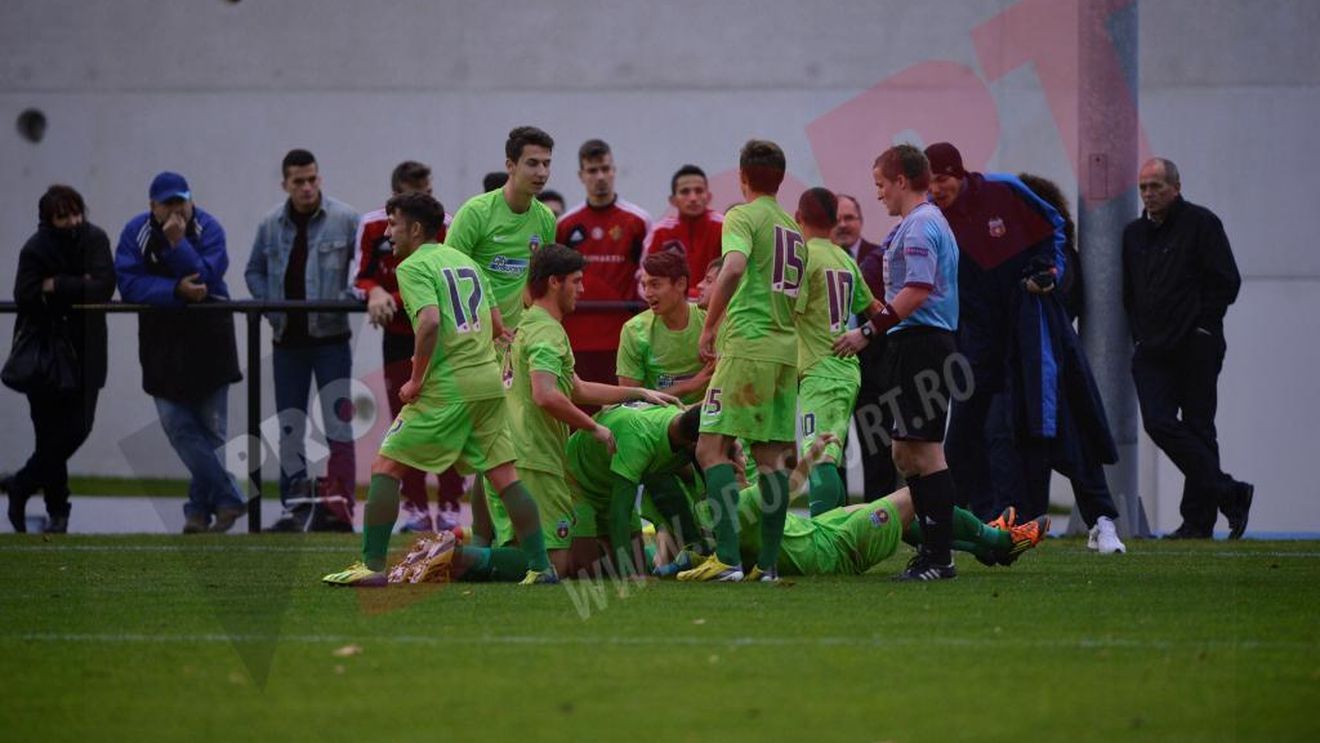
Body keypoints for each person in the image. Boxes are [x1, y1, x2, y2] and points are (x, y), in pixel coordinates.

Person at [322, 192, 556, 586]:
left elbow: (429, 321)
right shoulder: (466, 261)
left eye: (394, 224)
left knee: (386, 466)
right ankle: (540, 567)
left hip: (450, 386)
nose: (388, 231)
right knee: (505, 476)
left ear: (414, 229)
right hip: (487, 381)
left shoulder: (413, 266)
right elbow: (497, 321)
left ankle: (372, 567)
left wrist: (416, 378)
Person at [925, 142, 1124, 554]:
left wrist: (1049, 272)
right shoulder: (931, 217)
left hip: (1032, 329)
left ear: (958, 174)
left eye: (940, 179)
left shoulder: (1003, 191)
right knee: (963, 437)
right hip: (977, 338)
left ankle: (1103, 521)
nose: (935, 189)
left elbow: (1054, 226)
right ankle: (964, 528)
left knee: (1064, 428)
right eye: (927, 182)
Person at [505, 243, 680, 576]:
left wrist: (637, 391)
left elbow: (577, 388)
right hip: (536, 455)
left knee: (553, 558)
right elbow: (545, 395)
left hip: (522, 451)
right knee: (555, 565)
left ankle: (471, 557)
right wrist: (594, 427)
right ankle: (462, 558)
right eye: (576, 281)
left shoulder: (532, 323)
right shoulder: (546, 331)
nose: (582, 289)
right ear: (555, 282)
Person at [680, 139, 807, 583]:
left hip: (747, 347)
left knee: (710, 448)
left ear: (743, 176)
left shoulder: (742, 215)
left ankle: (729, 559)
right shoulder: (792, 228)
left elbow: (732, 267)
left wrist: (710, 325)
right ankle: (766, 566)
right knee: (771, 460)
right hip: (782, 353)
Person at [834, 144, 961, 581]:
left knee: (924, 454)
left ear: (901, 181)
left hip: (923, 345)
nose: (880, 194)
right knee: (905, 451)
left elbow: (918, 290)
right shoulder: (917, 224)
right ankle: (932, 551)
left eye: (881, 185)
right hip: (914, 344)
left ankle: (939, 557)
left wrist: (866, 331)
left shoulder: (922, 226)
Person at [1123, 157, 1252, 539]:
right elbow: (1129, 292)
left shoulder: (1202, 224)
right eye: (1143, 187)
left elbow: (1227, 281)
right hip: (1152, 348)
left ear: (1176, 187)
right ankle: (1229, 492)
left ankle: (1197, 523)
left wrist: (1201, 328)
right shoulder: (1133, 234)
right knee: (1158, 421)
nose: (1149, 194)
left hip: (1196, 345)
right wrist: (1140, 336)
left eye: (1156, 186)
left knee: (1199, 428)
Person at [114, 172, 246, 534]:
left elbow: (206, 277)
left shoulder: (209, 228)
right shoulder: (135, 233)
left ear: (191, 200)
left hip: (211, 341)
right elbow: (128, 284)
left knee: (211, 430)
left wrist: (177, 244)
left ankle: (198, 514)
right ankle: (229, 497)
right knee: (176, 424)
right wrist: (175, 289)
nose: (177, 210)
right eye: (167, 203)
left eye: (181, 201)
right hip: (162, 343)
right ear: (152, 207)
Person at [246, 149, 361, 532]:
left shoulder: (345, 219)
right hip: (287, 341)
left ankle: (340, 505)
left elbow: (360, 273)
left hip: (331, 337)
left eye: (313, 179)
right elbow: (254, 271)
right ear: (286, 184)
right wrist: (272, 309)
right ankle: (295, 506)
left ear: (319, 178)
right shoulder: (270, 224)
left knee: (338, 424)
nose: (308, 187)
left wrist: (345, 299)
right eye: (299, 181)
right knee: (291, 424)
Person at [351, 160, 465, 533]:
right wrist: (375, 292)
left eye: (428, 193)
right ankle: (415, 507)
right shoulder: (372, 226)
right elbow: (360, 278)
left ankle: (450, 505)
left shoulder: (446, 226)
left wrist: (392, 297)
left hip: (443, 336)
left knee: (449, 418)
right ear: (396, 196)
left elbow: (443, 284)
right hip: (399, 336)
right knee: (406, 419)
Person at [3, 186, 115, 534]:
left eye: (76, 213)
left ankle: (21, 484)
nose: (72, 222)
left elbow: (103, 286)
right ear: (48, 220)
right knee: (49, 435)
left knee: (78, 429)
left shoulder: (95, 239)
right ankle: (58, 511)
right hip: (47, 355)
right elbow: (25, 294)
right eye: (63, 216)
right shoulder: (36, 247)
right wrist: (77, 284)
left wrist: (56, 285)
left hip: (87, 351)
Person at [794, 188, 875, 516]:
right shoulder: (844, 257)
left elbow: (787, 314)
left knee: (820, 455)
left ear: (799, 219)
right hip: (846, 369)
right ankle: (840, 532)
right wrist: (865, 335)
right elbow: (876, 309)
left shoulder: (803, 257)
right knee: (831, 455)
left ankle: (820, 537)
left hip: (821, 371)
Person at [565, 403, 704, 578]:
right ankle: (541, 553)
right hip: (576, 481)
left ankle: (648, 559)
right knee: (586, 573)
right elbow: (619, 514)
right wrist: (629, 573)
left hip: (612, 483)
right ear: (693, 444)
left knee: (638, 568)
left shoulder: (679, 421)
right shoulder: (638, 441)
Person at [557, 139, 652, 384]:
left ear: (614, 171)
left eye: (605, 169)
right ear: (581, 175)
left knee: (621, 409)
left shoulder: (638, 221)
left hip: (623, 336)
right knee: (580, 409)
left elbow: (647, 276)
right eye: (592, 170)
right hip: (576, 336)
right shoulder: (566, 225)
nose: (600, 176)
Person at [447, 126, 558, 332]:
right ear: (510, 165)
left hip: (517, 337)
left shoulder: (546, 219)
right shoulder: (475, 212)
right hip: (473, 336)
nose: (542, 173)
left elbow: (538, 282)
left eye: (546, 164)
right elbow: (448, 276)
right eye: (532, 163)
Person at [841, 194, 900, 500]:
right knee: (832, 449)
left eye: (849, 217)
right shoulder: (812, 262)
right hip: (832, 368)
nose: (843, 224)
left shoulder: (880, 257)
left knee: (876, 446)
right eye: (837, 218)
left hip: (874, 371)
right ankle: (834, 518)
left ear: (860, 222)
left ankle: (879, 517)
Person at [616, 250, 711, 405]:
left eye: (655, 284)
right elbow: (630, 400)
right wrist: (688, 385)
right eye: (644, 285)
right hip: (655, 416)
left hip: (706, 413)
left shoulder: (709, 321)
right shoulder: (633, 330)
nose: (647, 293)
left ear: (681, 284)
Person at [644, 165, 725, 298]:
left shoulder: (725, 226)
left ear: (708, 196)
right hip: (671, 312)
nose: (693, 198)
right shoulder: (660, 232)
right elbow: (644, 280)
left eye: (699, 191)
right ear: (673, 200)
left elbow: (735, 275)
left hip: (715, 310)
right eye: (685, 192)